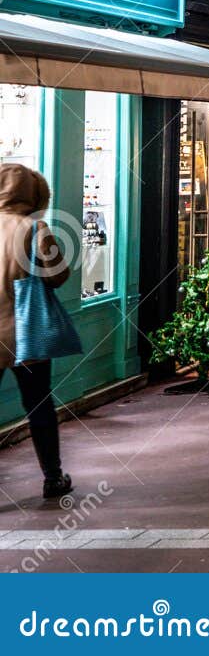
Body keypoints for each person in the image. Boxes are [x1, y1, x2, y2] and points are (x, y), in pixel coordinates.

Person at [0, 164, 73, 500]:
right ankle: (52, 477)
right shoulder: (34, 227)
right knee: (39, 405)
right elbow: (57, 275)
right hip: (25, 333)